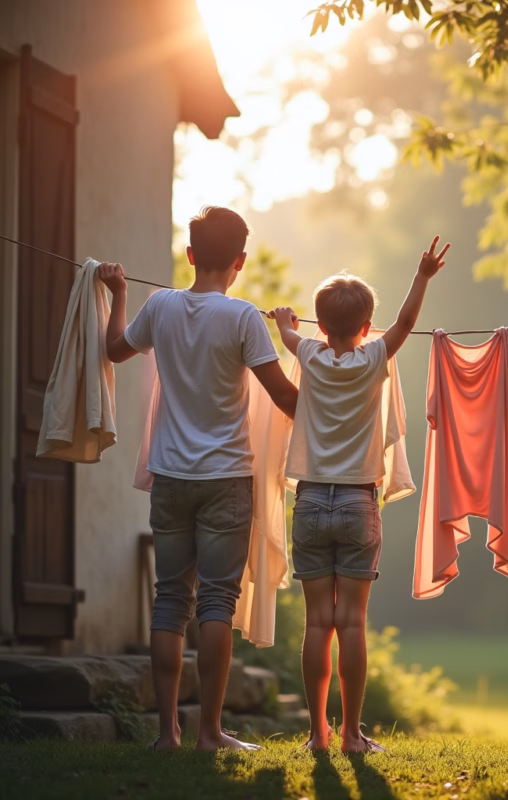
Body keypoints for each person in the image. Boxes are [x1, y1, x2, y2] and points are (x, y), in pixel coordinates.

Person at [98, 206, 298, 752]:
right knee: (215, 603)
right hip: (226, 478)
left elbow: (114, 350)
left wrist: (117, 293)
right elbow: (283, 395)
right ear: (238, 262)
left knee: (169, 601)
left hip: (169, 477)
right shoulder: (242, 319)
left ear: (189, 255)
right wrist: (337, 407)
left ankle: (168, 734)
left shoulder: (159, 305)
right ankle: (211, 732)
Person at [269, 235, 450, 753]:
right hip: (356, 504)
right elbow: (406, 325)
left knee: (317, 623)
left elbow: (286, 333)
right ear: (365, 327)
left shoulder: (306, 351)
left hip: (308, 502)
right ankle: (350, 734)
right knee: (351, 622)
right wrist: (423, 276)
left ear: (319, 326)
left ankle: (315, 735)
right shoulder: (373, 359)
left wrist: (285, 319)